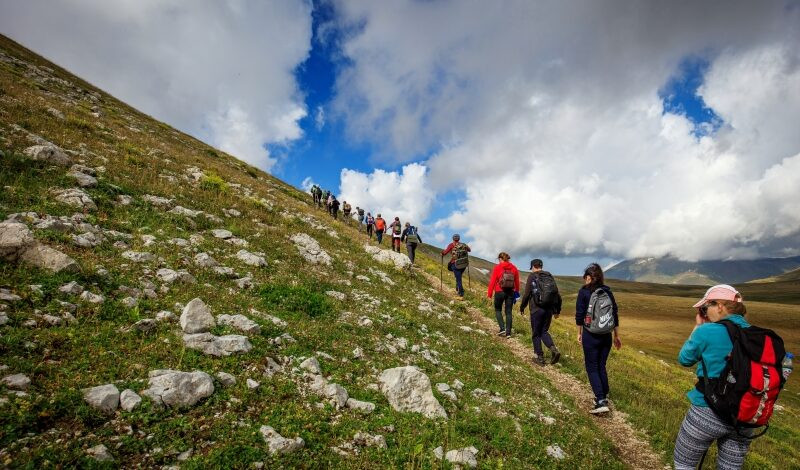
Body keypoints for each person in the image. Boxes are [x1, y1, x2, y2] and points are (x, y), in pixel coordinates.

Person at [673, 285, 757, 470]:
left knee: (684, 464)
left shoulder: (707, 330)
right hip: (745, 416)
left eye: (706, 307)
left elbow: (684, 359)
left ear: (719, 306)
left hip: (707, 411)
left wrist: (698, 326)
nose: (705, 312)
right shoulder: (756, 335)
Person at [576, 263, 621, 414]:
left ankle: (600, 400)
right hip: (606, 335)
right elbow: (614, 313)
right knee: (601, 365)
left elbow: (580, 314)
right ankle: (604, 394)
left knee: (591, 366)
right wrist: (616, 335)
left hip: (591, 335)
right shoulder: (607, 291)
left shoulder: (584, 292)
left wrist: (579, 332)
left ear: (589, 277)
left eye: (585, 278)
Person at [519, 259, 562, 365]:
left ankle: (539, 357)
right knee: (544, 331)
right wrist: (557, 310)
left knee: (536, 333)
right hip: (548, 309)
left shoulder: (532, 276)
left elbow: (527, 293)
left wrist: (522, 306)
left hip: (536, 308)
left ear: (533, 266)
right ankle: (554, 349)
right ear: (541, 266)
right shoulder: (549, 276)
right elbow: (557, 295)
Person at [487, 252, 520, 337]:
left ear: (500, 259)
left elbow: (492, 281)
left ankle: (502, 328)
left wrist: (489, 294)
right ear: (508, 259)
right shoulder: (514, 268)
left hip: (499, 291)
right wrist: (516, 293)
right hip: (510, 292)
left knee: (498, 310)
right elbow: (517, 282)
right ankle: (508, 333)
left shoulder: (497, 267)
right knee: (508, 312)